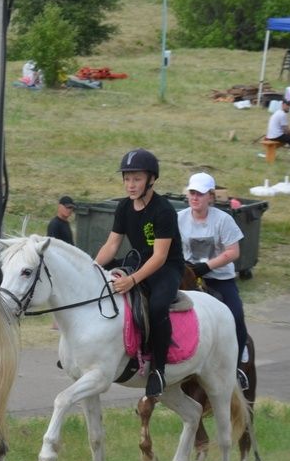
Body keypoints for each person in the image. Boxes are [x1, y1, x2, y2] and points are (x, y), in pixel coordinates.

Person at [93, 149, 184, 399]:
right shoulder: (123, 206)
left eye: (136, 179)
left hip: (166, 267)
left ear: (151, 180)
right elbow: (112, 245)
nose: (130, 185)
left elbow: (160, 257)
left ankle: (159, 370)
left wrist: (132, 280)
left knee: (156, 306)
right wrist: (92, 269)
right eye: (127, 179)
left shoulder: (164, 210)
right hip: (138, 262)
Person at [178, 172, 249, 366]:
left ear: (210, 196)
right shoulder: (179, 219)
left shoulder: (223, 220)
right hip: (187, 276)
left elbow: (233, 252)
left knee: (236, 315)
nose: (194, 197)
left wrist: (206, 266)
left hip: (219, 278)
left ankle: (239, 359)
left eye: (200, 194)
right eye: (192, 192)